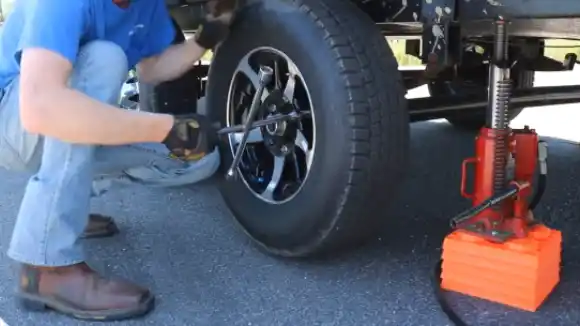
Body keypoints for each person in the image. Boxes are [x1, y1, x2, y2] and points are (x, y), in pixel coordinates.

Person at [0, 0, 238, 321]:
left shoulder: (146, 6)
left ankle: (65, 209)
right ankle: (46, 266)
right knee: (105, 57)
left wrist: (205, 40)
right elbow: (41, 106)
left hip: (57, 128)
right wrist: (166, 128)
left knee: (194, 161)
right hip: (13, 124)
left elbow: (152, 69)